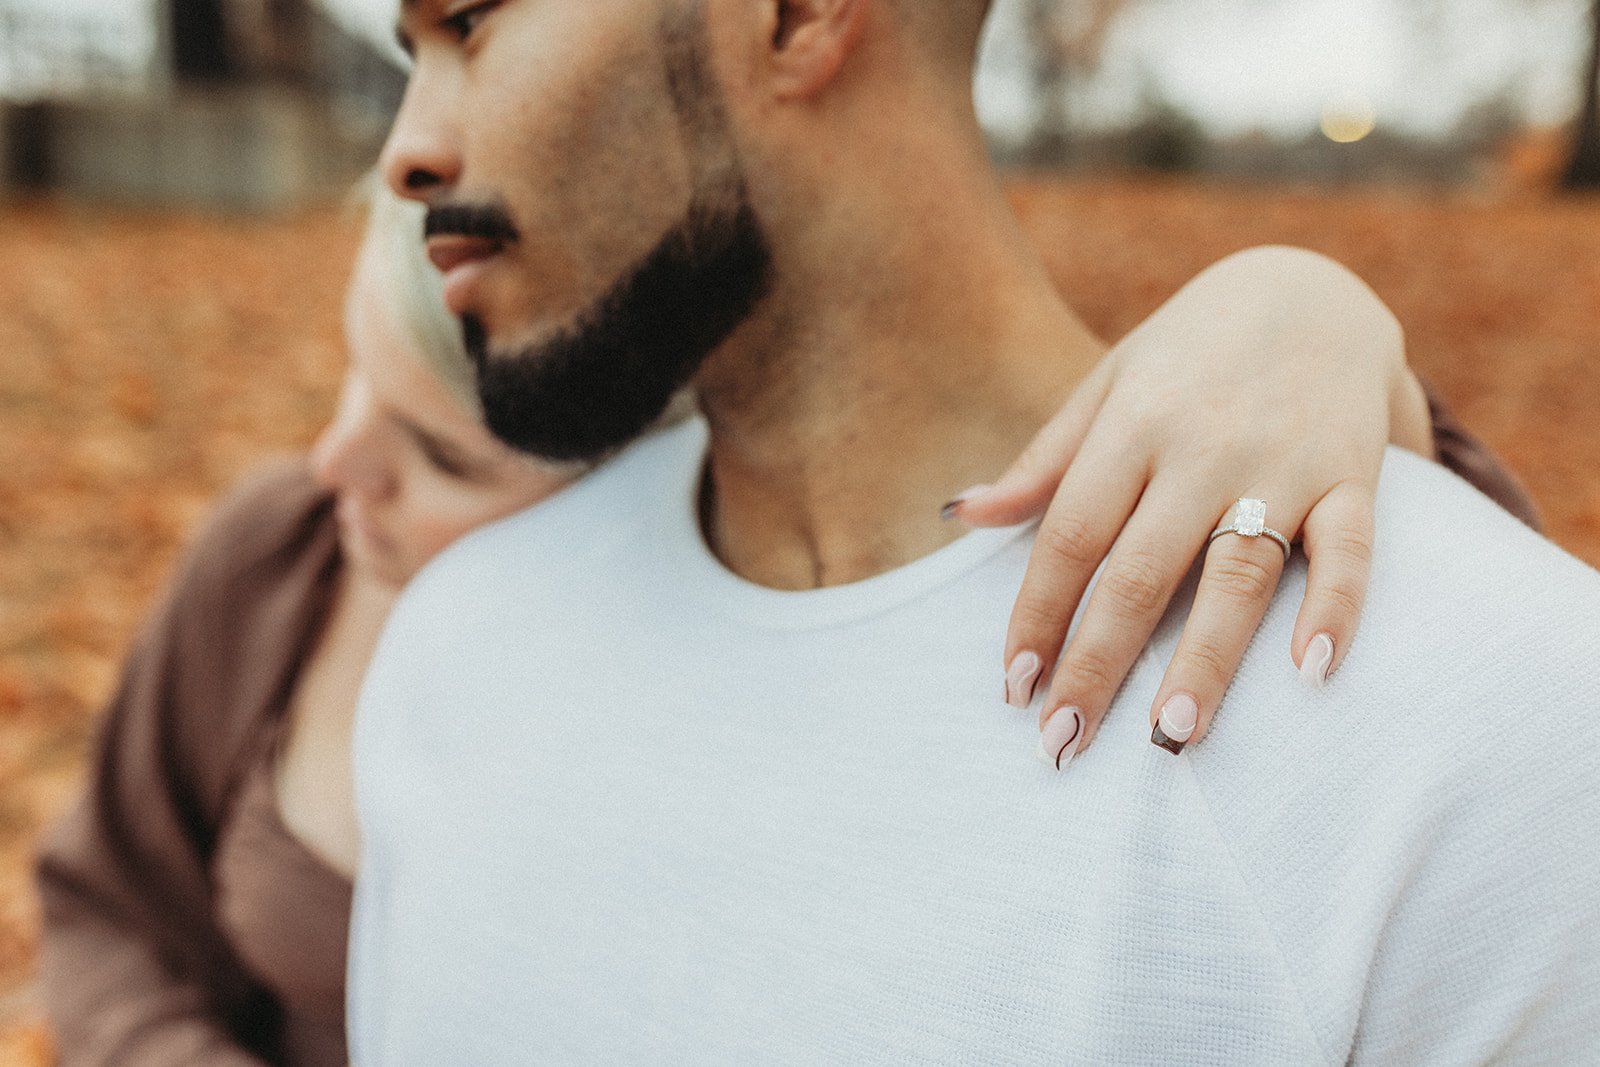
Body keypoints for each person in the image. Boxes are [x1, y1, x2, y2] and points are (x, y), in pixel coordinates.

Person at [350, 0, 1600, 1063]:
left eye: (468, 19)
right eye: (409, 55)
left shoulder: (1482, 726)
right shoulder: (452, 653)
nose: (406, 152)